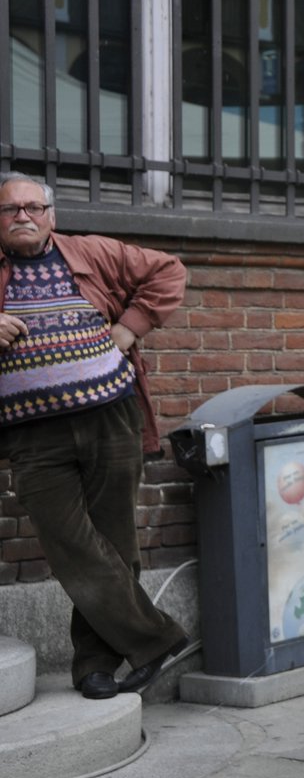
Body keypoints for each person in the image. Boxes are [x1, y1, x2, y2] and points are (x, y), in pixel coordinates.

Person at [0, 173, 189, 699]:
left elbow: (168, 272)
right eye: (10, 209)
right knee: (69, 545)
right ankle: (156, 640)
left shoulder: (91, 252)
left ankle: (93, 667)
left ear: (51, 215)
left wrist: (129, 326)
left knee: (114, 542)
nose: (22, 216)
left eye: (33, 207)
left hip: (111, 416)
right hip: (32, 433)